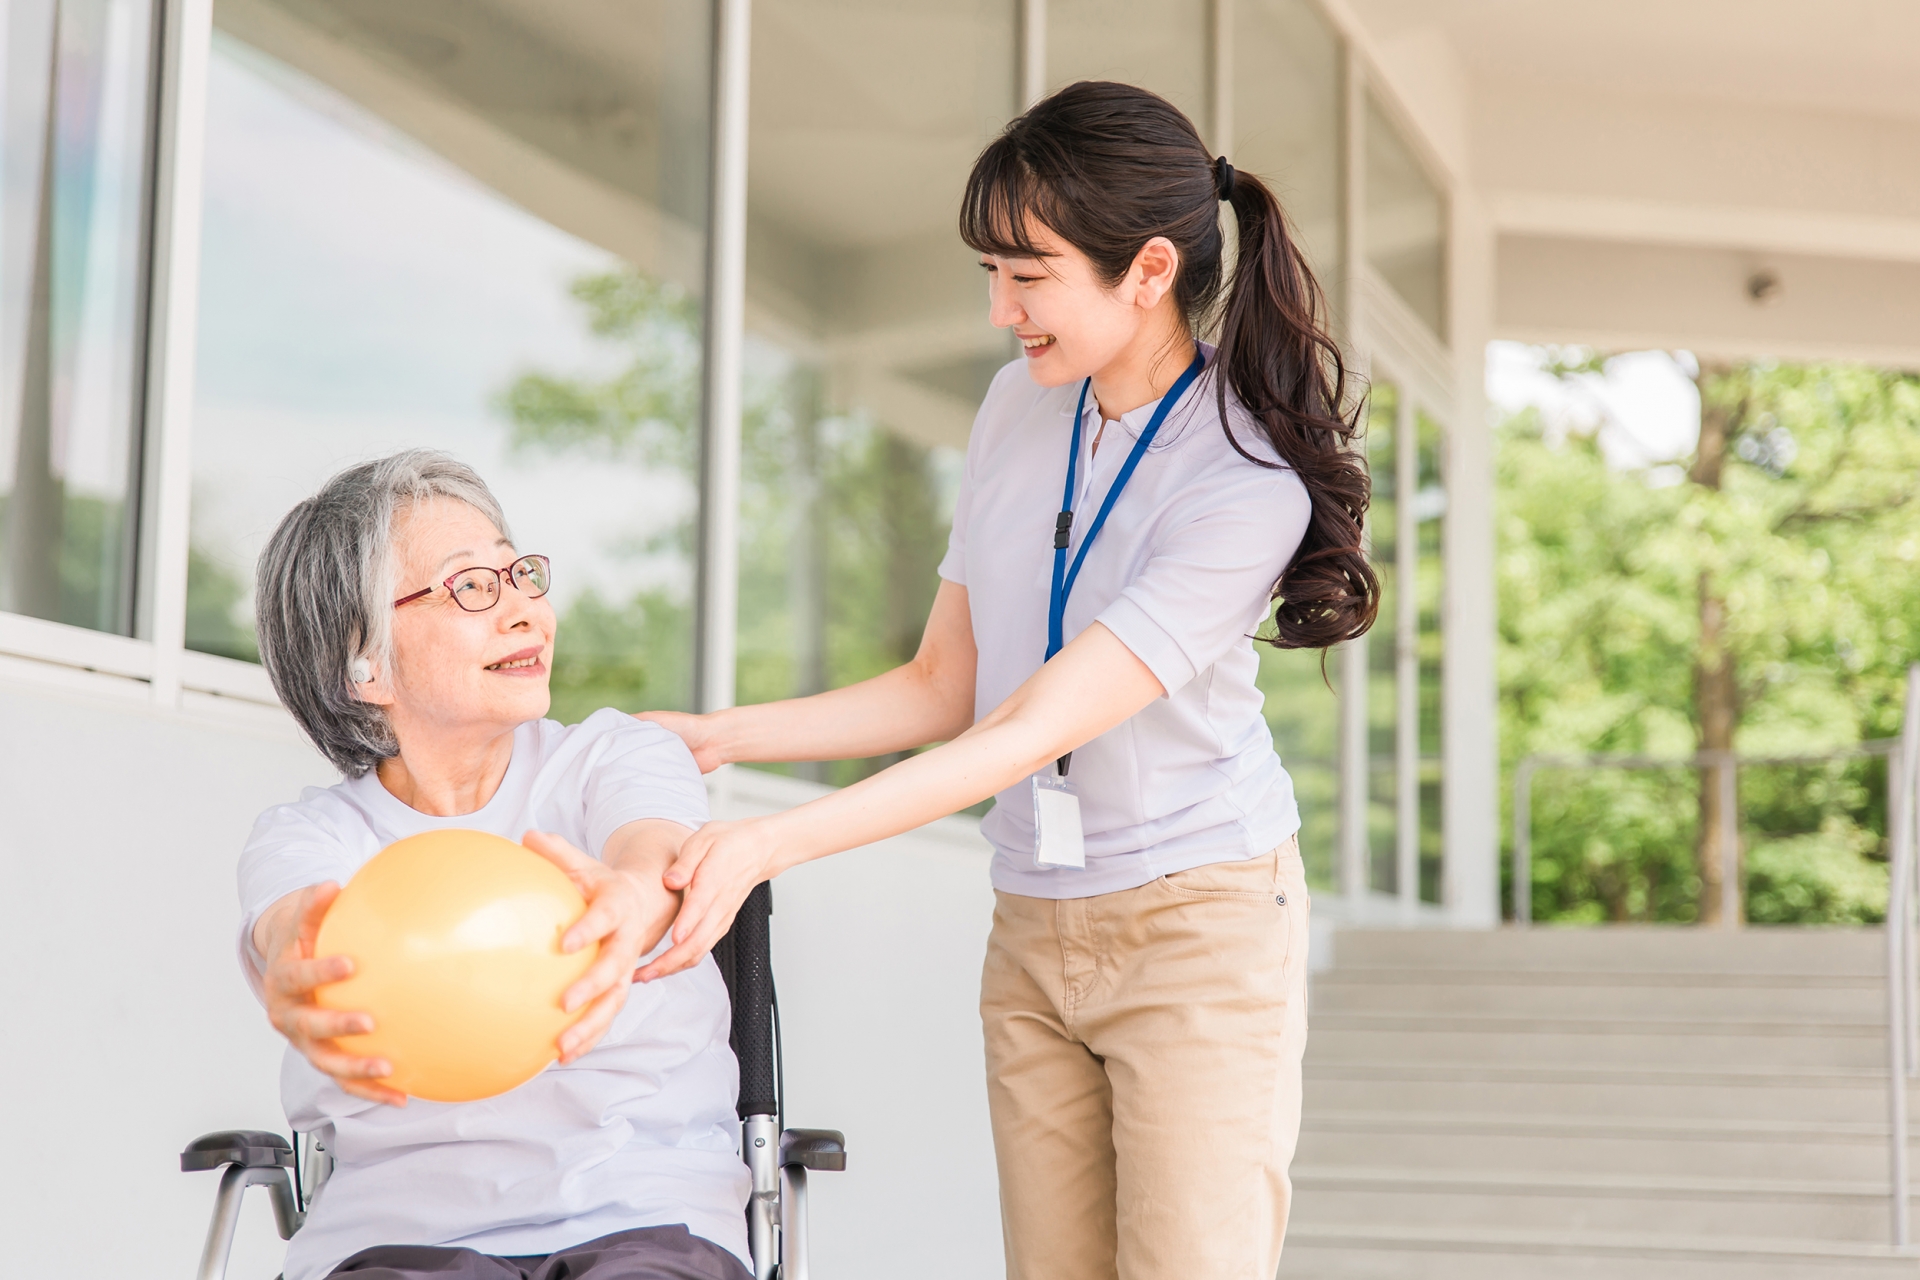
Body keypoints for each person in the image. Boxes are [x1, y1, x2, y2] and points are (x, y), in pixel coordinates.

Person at [636, 82, 1377, 1280]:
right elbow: (945, 682)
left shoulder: (1244, 482)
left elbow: (1027, 726)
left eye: (1027, 277)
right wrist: (721, 736)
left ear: (1145, 271)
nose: (998, 310)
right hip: (1032, 920)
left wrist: (766, 843)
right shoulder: (1016, 407)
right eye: (990, 272)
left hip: (1198, 924)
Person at [238, 451, 752, 1280]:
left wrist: (631, 897)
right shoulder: (311, 836)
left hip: (643, 1209)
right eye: (471, 586)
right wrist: (300, 962)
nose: (522, 610)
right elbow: (291, 921)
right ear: (363, 663)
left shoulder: (614, 757)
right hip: (402, 1236)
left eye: (521, 575)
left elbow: (654, 848)